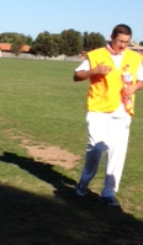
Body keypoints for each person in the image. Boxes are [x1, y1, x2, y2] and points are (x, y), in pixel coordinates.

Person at [73, 24, 143, 207]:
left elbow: (141, 79)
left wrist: (134, 87)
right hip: (98, 109)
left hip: (123, 111)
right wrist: (94, 71)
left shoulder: (135, 58)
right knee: (96, 148)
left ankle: (108, 192)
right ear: (111, 37)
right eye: (120, 41)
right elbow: (77, 75)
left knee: (117, 152)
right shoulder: (96, 55)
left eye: (126, 42)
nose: (122, 45)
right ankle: (84, 182)